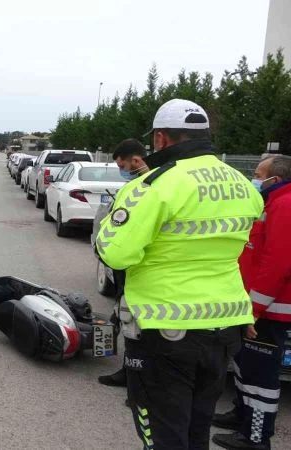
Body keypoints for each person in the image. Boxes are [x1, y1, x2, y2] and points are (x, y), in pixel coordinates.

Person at [96, 99, 264, 450]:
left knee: (162, 434)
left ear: (160, 139)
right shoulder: (243, 184)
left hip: (167, 329)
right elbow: (230, 256)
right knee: (196, 428)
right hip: (225, 325)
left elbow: (116, 253)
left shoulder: (154, 186)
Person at [211, 155, 291, 450]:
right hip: (254, 307)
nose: (254, 178)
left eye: (258, 174)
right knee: (245, 365)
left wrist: (254, 310)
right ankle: (242, 414)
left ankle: (256, 437)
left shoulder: (285, 204)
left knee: (261, 376)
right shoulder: (272, 202)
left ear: (276, 178)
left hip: (268, 311)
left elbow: (278, 264)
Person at [97, 138, 149, 389]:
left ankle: (134, 380)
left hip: (139, 271)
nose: (122, 171)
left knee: (132, 325)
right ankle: (124, 368)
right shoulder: (140, 186)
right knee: (121, 316)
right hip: (126, 270)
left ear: (136, 160)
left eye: (122, 165)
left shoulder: (150, 189)